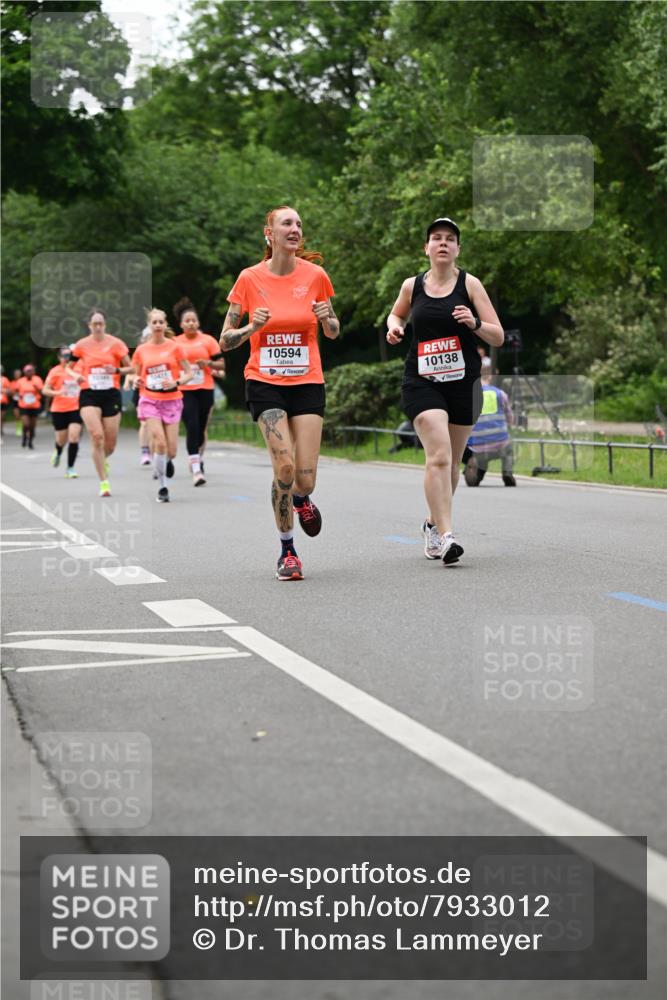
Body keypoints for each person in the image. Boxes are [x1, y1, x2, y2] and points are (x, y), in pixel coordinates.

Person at [220, 205, 339, 580]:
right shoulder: (249, 279)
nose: (295, 228)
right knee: (283, 466)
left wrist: (327, 319)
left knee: (305, 478)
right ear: (268, 233)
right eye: (287, 223)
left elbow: (333, 330)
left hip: (307, 383)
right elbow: (225, 340)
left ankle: (302, 499)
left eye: (299, 223)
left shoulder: (316, 276)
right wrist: (251, 328)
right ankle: (288, 551)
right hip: (265, 382)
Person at [387, 216, 504, 564]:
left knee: (451, 462)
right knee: (438, 456)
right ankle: (448, 536)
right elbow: (396, 316)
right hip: (422, 382)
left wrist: (475, 323)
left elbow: (497, 334)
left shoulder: (471, 285)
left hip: (464, 383)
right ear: (426, 248)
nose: (442, 243)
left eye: (449, 239)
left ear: (457, 249)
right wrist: (394, 329)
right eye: (436, 238)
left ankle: (431, 524)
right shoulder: (413, 286)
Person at [66, 309, 132, 497]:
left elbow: (132, 367)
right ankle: (104, 482)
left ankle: (104, 458)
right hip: (89, 393)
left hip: (110, 394)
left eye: (100, 323)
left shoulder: (116, 344)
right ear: (89, 326)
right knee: (97, 436)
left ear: (105, 324)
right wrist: (76, 375)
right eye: (94, 324)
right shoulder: (81, 345)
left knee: (110, 444)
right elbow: (68, 368)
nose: (97, 326)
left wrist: (117, 370)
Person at [130, 308, 193, 503]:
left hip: (172, 399)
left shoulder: (175, 347)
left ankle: (165, 461)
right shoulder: (141, 350)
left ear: (165, 325)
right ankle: (163, 486)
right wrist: (136, 381)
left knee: (171, 450)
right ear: (149, 326)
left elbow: (189, 372)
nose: (157, 325)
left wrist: (177, 382)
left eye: (160, 322)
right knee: (159, 442)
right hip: (149, 399)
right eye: (154, 322)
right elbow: (135, 374)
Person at [173, 298, 226, 486]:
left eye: (194, 320)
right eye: (187, 321)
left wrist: (208, 363)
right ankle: (196, 469)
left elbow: (222, 364)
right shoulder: (174, 343)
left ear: (198, 323)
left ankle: (198, 458)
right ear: (181, 324)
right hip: (184, 389)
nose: (191, 323)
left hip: (205, 388)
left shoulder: (208, 341)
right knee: (192, 425)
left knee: (201, 427)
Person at [464, 357, 516, 486]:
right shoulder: (500, 394)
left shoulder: (469, 395)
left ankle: (476, 473)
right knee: (509, 451)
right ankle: (507, 472)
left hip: (477, 447)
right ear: (491, 377)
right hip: (499, 444)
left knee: (479, 458)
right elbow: (511, 419)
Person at [42, 346, 83, 477]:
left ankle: (70, 468)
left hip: (76, 407)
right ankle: (58, 451)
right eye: (64, 356)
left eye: (69, 355)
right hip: (59, 409)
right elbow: (45, 390)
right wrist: (57, 392)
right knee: (61, 439)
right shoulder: (55, 371)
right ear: (59, 358)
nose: (67, 358)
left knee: (74, 437)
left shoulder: (78, 369)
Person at [15, 364, 44, 449]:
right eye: (27, 371)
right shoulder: (20, 381)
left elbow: (42, 391)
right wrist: (19, 395)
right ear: (24, 372)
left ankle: (30, 441)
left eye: (31, 371)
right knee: (26, 424)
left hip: (34, 406)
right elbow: (15, 392)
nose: (29, 373)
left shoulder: (37, 379)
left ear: (33, 372)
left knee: (32, 426)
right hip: (24, 406)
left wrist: (37, 388)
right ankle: (24, 437)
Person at [1, 367, 11, 437]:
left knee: (1, 417)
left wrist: (3, 391)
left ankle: (1, 429)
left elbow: (9, 391)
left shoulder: (5, 379)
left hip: (3, 401)